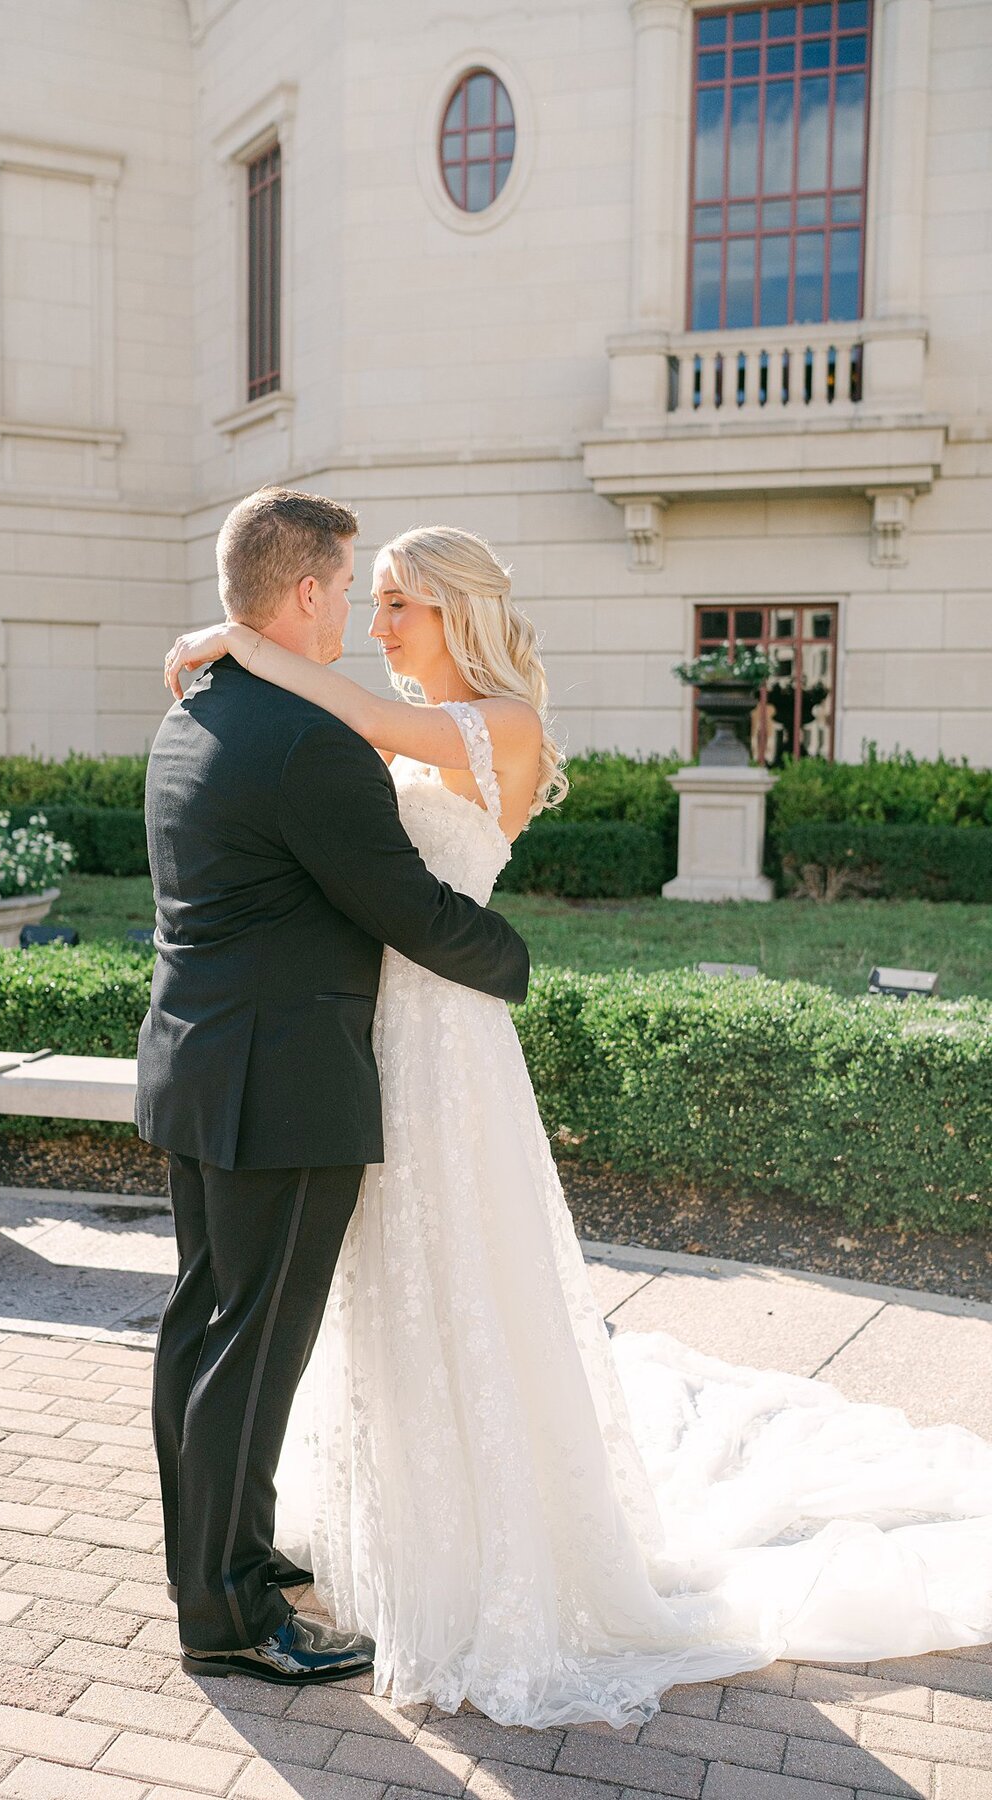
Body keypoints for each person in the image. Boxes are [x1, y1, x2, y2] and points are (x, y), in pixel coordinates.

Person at [162, 520, 992, 1729]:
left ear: (457, 612)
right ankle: (357, 1546)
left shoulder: (499, 724)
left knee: (457, 1286)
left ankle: (481, 1563)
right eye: (366, 599)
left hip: (443, 1041)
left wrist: (228, 638)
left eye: (397, 604)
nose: (377, 626)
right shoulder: (375, 718)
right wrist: (235, 644)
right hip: (360, 1044)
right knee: (372, 1301)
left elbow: (372, 753)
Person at [136, 491, 530, 1689]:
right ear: (306, 594)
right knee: (253, 1352)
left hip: (202, 1067)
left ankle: (215, 1569)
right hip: (285, 1084)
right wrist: (513, 962)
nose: (366, 613)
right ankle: (231, 1613)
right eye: (356, 588)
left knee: (207, 1330)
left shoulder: (194, 713)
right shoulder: (312, 740)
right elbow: (404, 908)